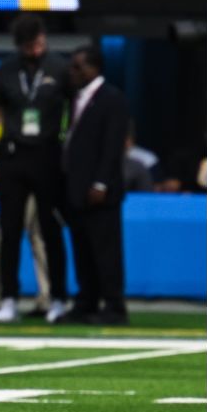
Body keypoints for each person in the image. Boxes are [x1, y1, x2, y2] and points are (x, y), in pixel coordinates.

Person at [0, 14, 70, 323]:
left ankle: (57, 298)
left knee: (50, 229)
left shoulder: (60, 67)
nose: (36, 50)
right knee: (10, 229)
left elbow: (72, 111)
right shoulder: (7, 69)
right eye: (29, 45)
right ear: (19, 45)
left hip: (49, 155)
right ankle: (7, 298)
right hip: (13, 155)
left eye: (39, 43)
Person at [62, 45, 129, 325]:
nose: (73, 72)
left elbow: (112, 146)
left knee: (105, 250)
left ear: (94, 68)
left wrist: (101, 183)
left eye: (78, 67)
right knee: (83, 249)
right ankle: (86, 301)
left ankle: (114, 305)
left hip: (100, 190)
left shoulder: (111, 99)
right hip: (76, 188)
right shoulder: (75, 98)